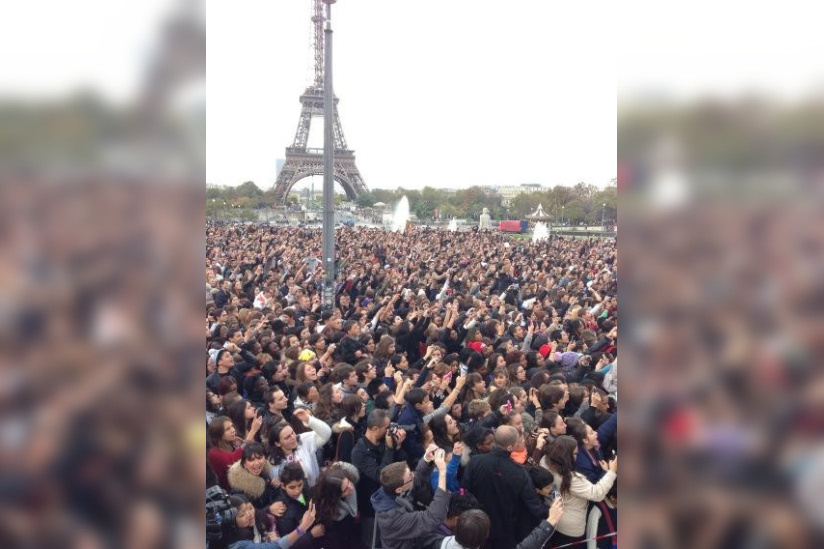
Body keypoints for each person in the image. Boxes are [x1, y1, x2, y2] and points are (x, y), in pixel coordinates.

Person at [461, 426, 548, 549]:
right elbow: (533, 504)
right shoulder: (520, 473)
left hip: (478, 525)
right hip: (505, 530)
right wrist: (550, 512)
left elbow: (463, 489)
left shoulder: (475, 461)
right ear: (510, 447)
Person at [540, 435, 616, 547]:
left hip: (555, 520)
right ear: (566, 456)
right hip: (571, 528)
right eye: (575, 454)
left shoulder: (545, 462)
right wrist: (612, 471)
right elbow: (596, 493)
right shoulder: (570, 479)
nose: (577, 456)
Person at [371, 448, 450, 549]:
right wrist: (442, 473)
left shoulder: (391, 488)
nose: (413, 475)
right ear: (399, 490)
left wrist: (426, 459)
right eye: (410, 476)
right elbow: (432, 518)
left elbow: (415, 478)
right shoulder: (392, 518)